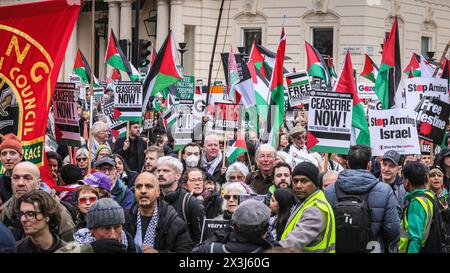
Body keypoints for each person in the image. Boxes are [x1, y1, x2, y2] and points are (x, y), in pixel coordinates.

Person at [324, 145, 400, 253]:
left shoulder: (329, 190)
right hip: (373, 248)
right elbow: (392, 230)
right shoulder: (385, 190)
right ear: (369, 165)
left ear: (348, 164)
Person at [0, 161, 76, 242]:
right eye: (16, 178)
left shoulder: (58, 212)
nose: (20, 183)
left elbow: (69, 246)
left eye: (27, 178)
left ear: (38, 183)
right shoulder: (6, 209)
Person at [124, 172, 193, 253]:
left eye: (148, 186)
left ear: (158, 192)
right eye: (138, 187)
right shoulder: (124, 219)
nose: (143, 191)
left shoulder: (174, 223)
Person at [279, 162, 335, 253]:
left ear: (315, 183)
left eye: (304, 181)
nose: (298, 186)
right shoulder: (305, 201)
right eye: (295, 181)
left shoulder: (316, 209)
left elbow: (294, 241)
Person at [193, 199, 277, 253]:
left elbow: (195, 250)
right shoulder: (272, 250)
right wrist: (268, 240)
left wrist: (223, 232)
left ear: (234, 225)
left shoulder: (210, 249)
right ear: (265, 229)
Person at [156, 156, 205, 245]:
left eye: (166, 171)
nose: (160, 174)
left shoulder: (191, 203)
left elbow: (199, 240)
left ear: (178, 175)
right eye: (158, 171)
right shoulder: (154, 200)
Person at [58, 198, 136, 253]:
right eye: (106, 228)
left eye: (117, 227)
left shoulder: (131, 246)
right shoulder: (76, 246)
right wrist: (89, 249)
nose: (113, 236)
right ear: (91, 230)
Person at [399, 161, 445, 253]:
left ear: (407, 181)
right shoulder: (430, 196)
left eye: (403, 178)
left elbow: (415, 239)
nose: (402, 181)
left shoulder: (416, 203)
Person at [380, 150, 407, 218]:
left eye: (391, 166)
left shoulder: (404, 190)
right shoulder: (372, 186)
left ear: (399, 168)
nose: (386, 169)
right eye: (384, 164)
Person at [0, 133, 23, 204]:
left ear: (21, 157)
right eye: (4, 154)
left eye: (12, 153)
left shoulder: (31, 179)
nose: (8, 158)